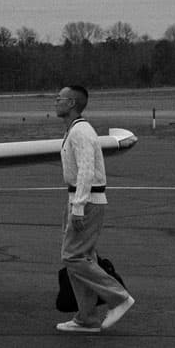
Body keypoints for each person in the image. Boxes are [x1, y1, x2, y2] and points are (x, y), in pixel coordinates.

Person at [53, 85, 134, 333]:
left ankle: (119, 298)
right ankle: (86, 318)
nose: (55, 102)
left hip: (86, 202)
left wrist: (79, 206)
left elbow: (87, 169)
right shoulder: (75, 130)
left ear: (72, 103)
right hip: (79, 199)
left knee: (73, 257)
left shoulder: (81, 132)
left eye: (60, 99)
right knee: (82, 258)